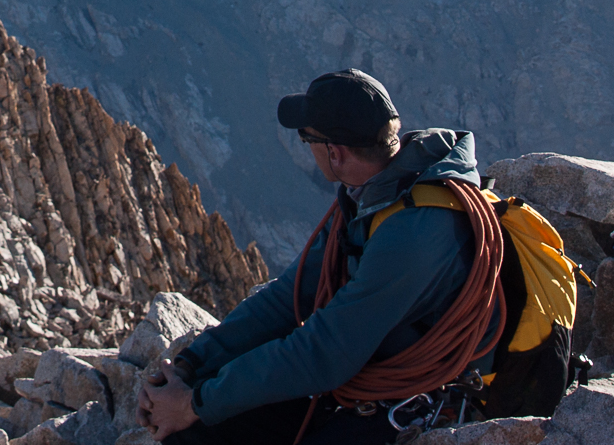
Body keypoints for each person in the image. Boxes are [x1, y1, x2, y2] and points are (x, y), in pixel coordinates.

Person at [137, 69, 502, 444]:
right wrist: (190, 366)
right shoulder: (372, 197)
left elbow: (325, 353)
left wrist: (194, 403)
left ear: (335, 152)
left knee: (205, 421)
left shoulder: (412, 232)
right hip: (368, 373)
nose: (306, 149)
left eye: (307, 139)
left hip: (429, 396)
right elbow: (289, 297)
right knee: (201, 428)